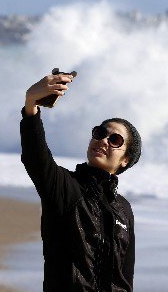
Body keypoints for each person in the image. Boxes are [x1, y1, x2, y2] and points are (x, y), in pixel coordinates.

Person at [20, 72, 141, 292]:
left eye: (114, 139)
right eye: (100, 133)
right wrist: (31, 106)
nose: (103, 140)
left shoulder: (123, 209)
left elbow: (125, 277)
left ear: (125, 160)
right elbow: (35, 158)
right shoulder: (66, 187)